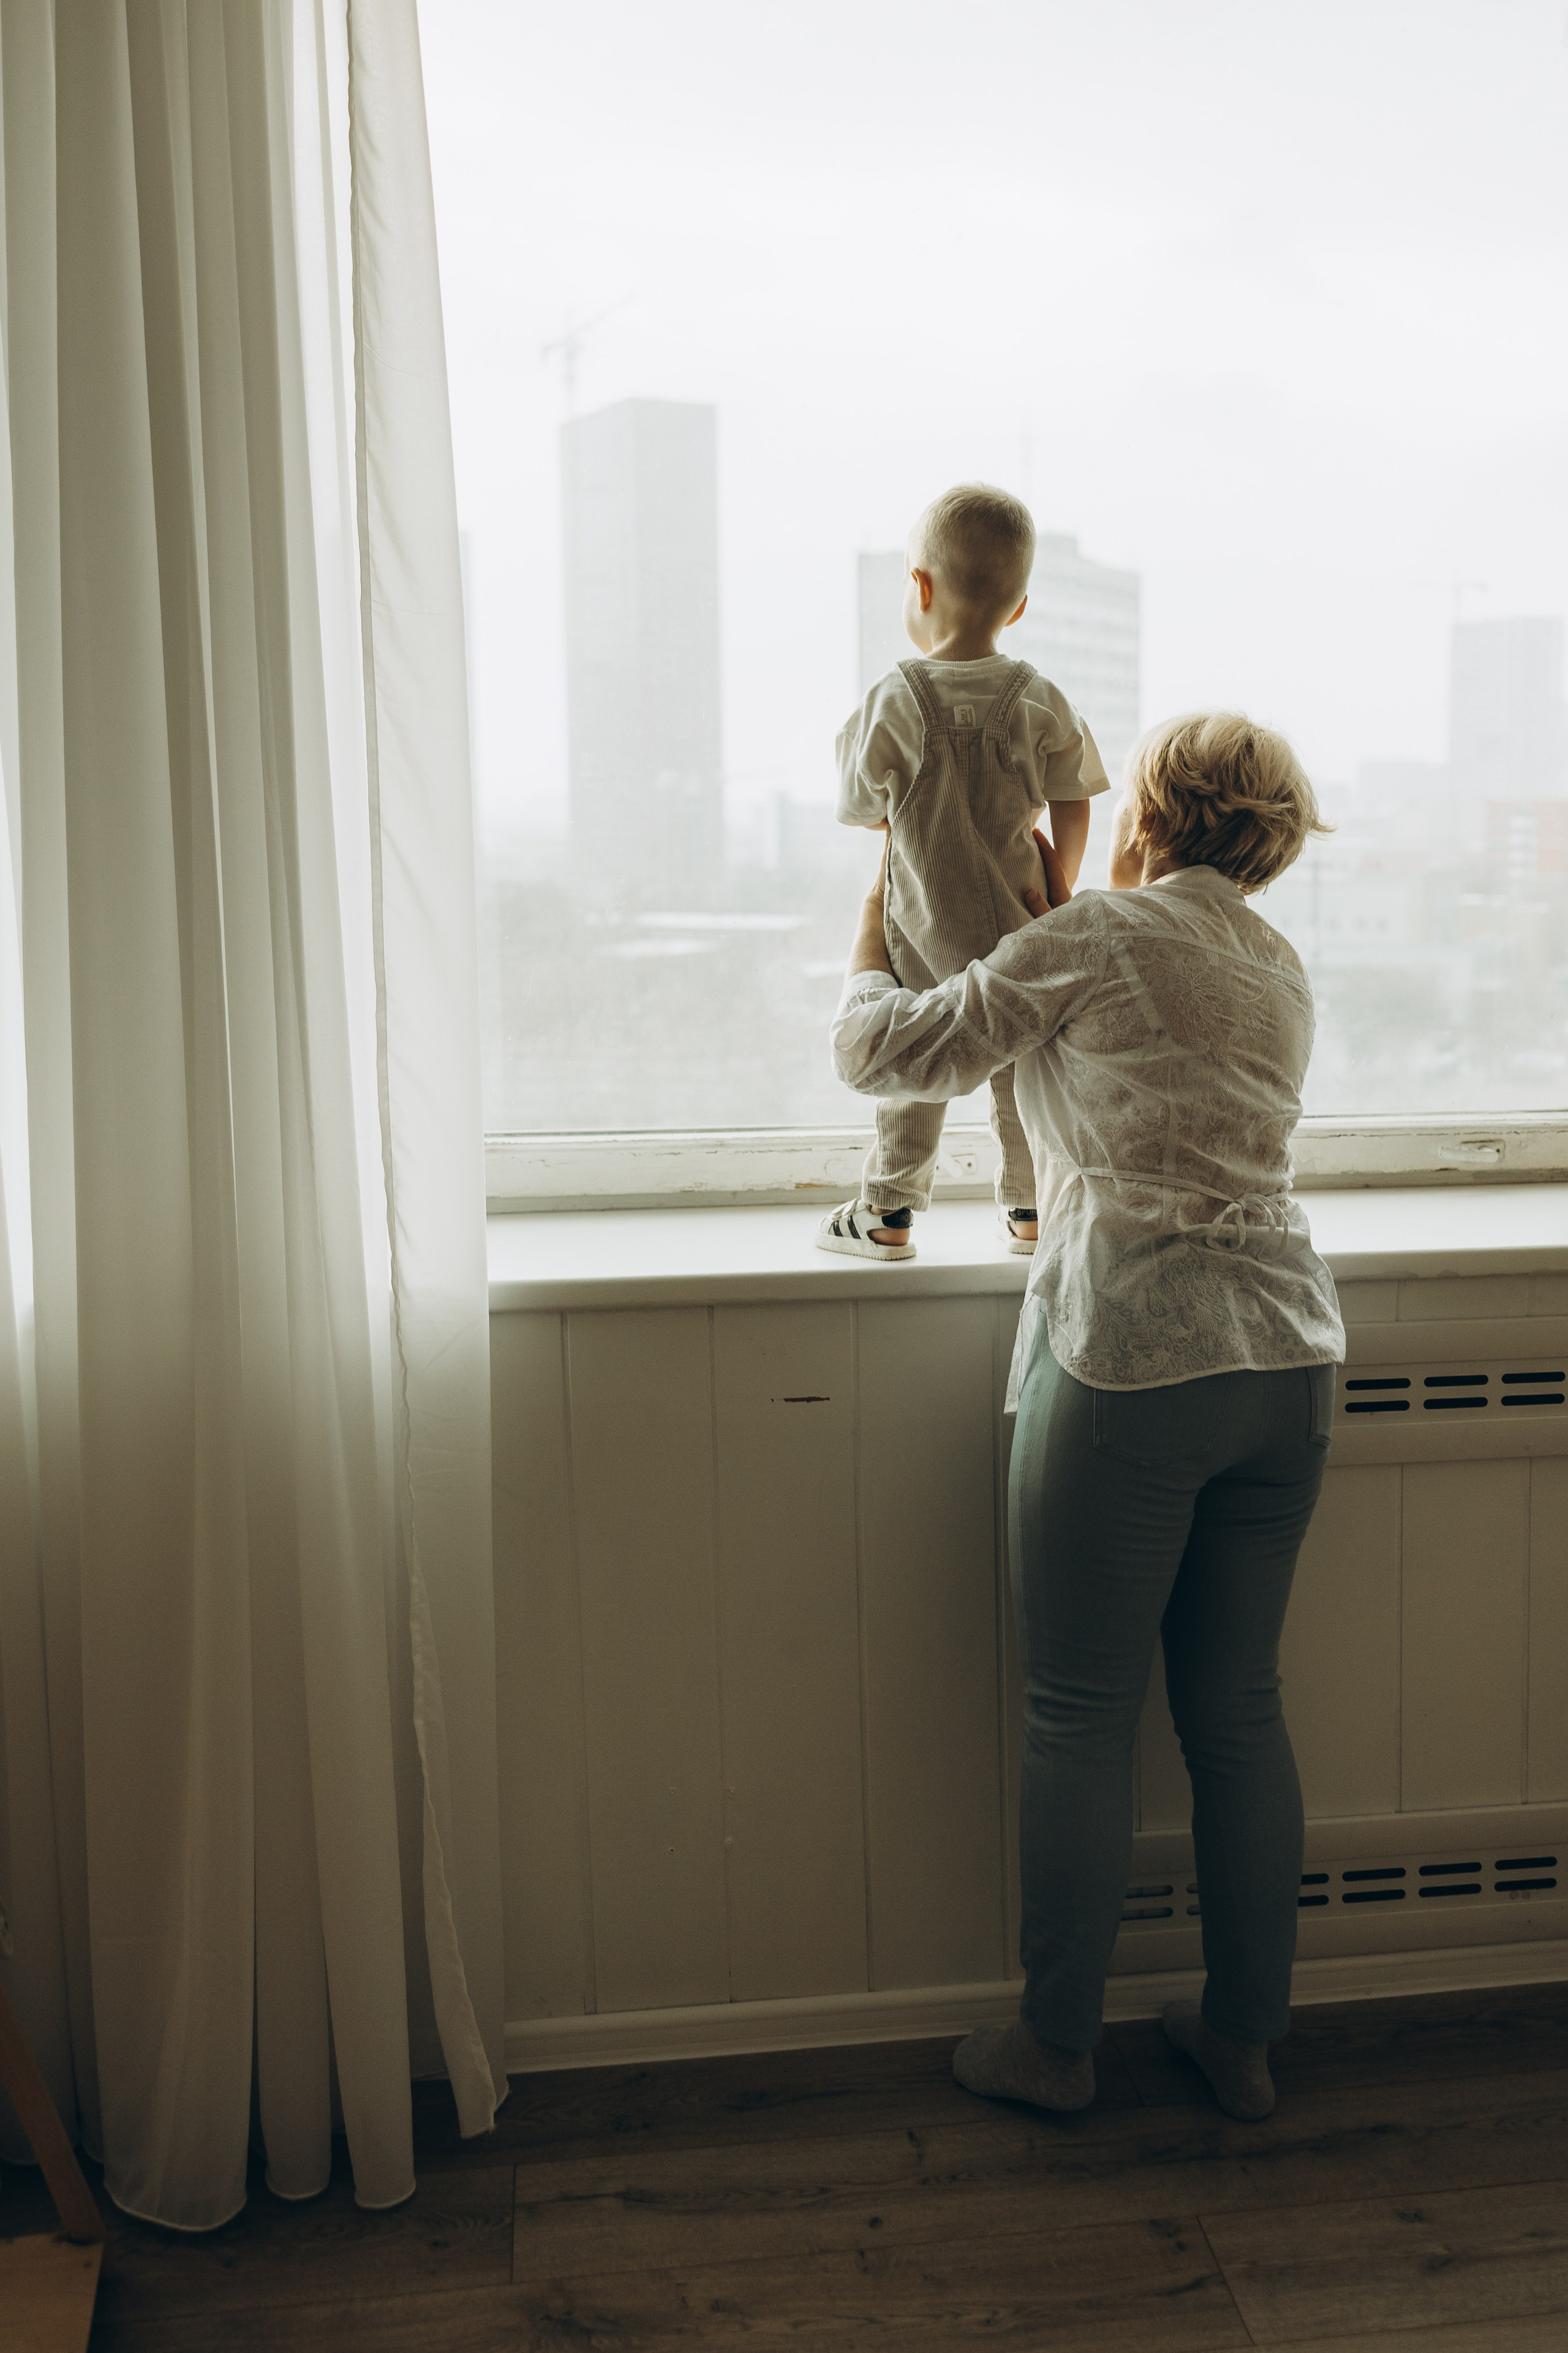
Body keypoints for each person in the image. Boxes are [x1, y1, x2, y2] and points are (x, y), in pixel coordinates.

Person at [830, 711, 1345, 2121]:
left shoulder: (1102, 934)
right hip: (1287, 1355)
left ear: (1149, 811)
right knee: (1236, 1709)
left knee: (1077, 1711)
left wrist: (873, 924)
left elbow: (893, 1057)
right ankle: (1240, 2037)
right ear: (1273, 836)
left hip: (1134, 1349)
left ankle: (1054, 2044)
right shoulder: (1276, 966)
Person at [816, 484, 1109, 1265]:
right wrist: (1057, 890)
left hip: (920, 926)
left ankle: (889, 1210)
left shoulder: (894, 699)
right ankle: (1031, 1210)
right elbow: (1075, 799)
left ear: (920, 588)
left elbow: (860, 805)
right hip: (1019, 925)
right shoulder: (1037, 698)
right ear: (1017, 607)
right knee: (1020, 1068)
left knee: (914, 1067)